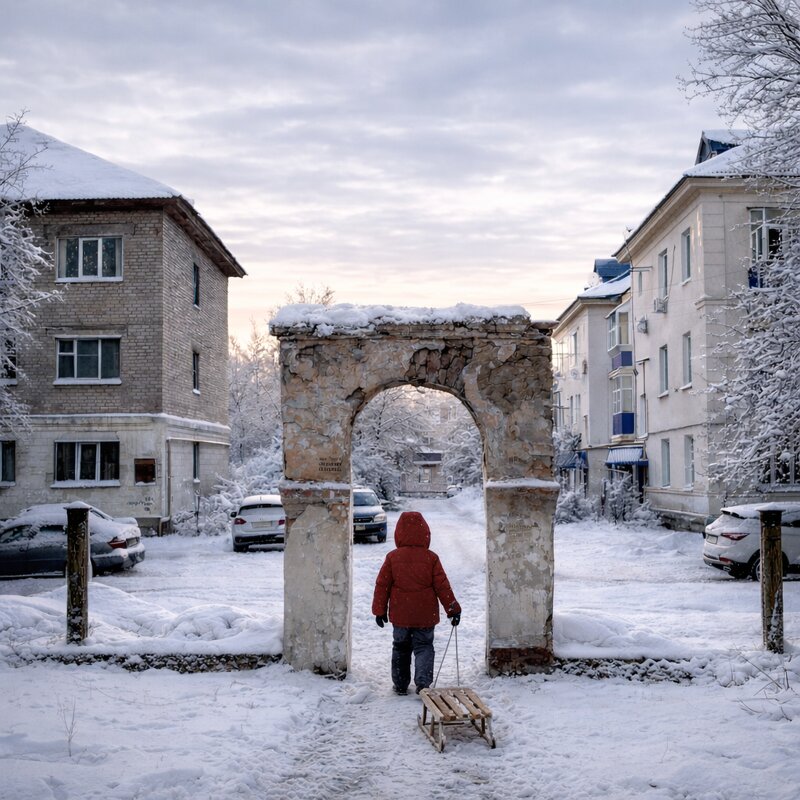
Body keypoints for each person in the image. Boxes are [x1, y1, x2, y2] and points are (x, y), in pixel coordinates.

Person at [372, 510, 461, 695]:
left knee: (400, 647)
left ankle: (401, 684)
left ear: (399, 533)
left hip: (401, 614)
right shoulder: (431, 558)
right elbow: (443, 586)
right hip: (425, 615)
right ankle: (423, 683)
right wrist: (453, 609)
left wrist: (379, 610)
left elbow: (382, 585)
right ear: (425, 533)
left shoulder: (392, 557)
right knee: (424, 647)